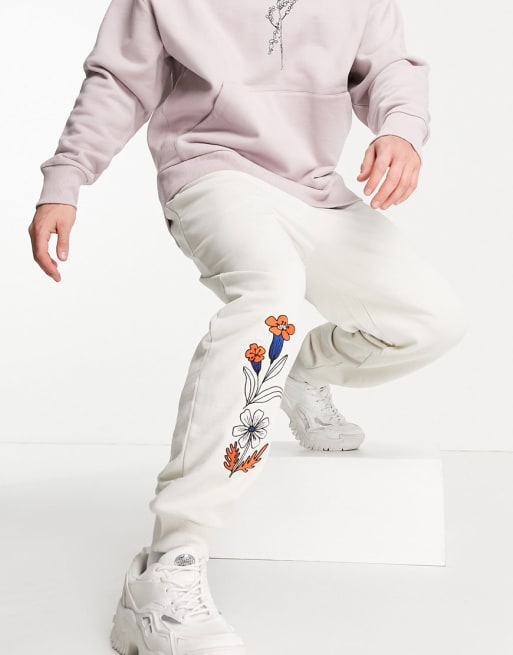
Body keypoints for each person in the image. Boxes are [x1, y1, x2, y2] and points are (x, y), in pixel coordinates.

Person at [28, 0, 467, 653]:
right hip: (211, 171)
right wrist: (66, 179)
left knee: (432, 319)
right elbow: (119, 79)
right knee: (271, 299)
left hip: (314, 188)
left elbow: (388, 68)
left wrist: (401, 129)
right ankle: (167, 568)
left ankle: (301, 376)